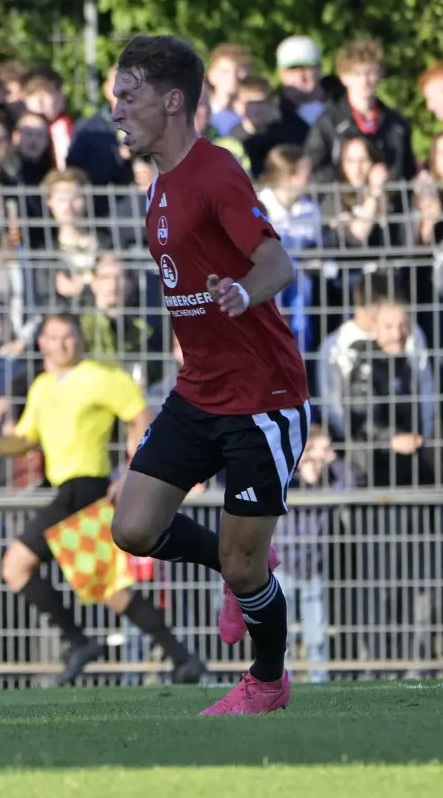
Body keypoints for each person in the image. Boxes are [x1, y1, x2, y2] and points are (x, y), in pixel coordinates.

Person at [105, 35, 312, 716]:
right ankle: (232, 564)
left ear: (172, 101)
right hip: (199, 392)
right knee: (132, 529)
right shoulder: (158, 189)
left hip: (262, 398)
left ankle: (267, 681)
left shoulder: (216, 170)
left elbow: (277, 264)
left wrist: (243, 292)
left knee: (245, 564)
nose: (117, 109)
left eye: (128, 95)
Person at [0, 314, 206, 686]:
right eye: (54, 336)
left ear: (80, 339)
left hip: (86, 489)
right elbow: (24, 439)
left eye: (69, 336)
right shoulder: (43, 387)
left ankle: (80, 642)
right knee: (106, 587)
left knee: (16, 565)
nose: (62, 344)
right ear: (41, 342)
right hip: (70, 492)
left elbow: (140, 416)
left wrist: (132, 471)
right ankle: (181, 658)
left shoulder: (101, 377)